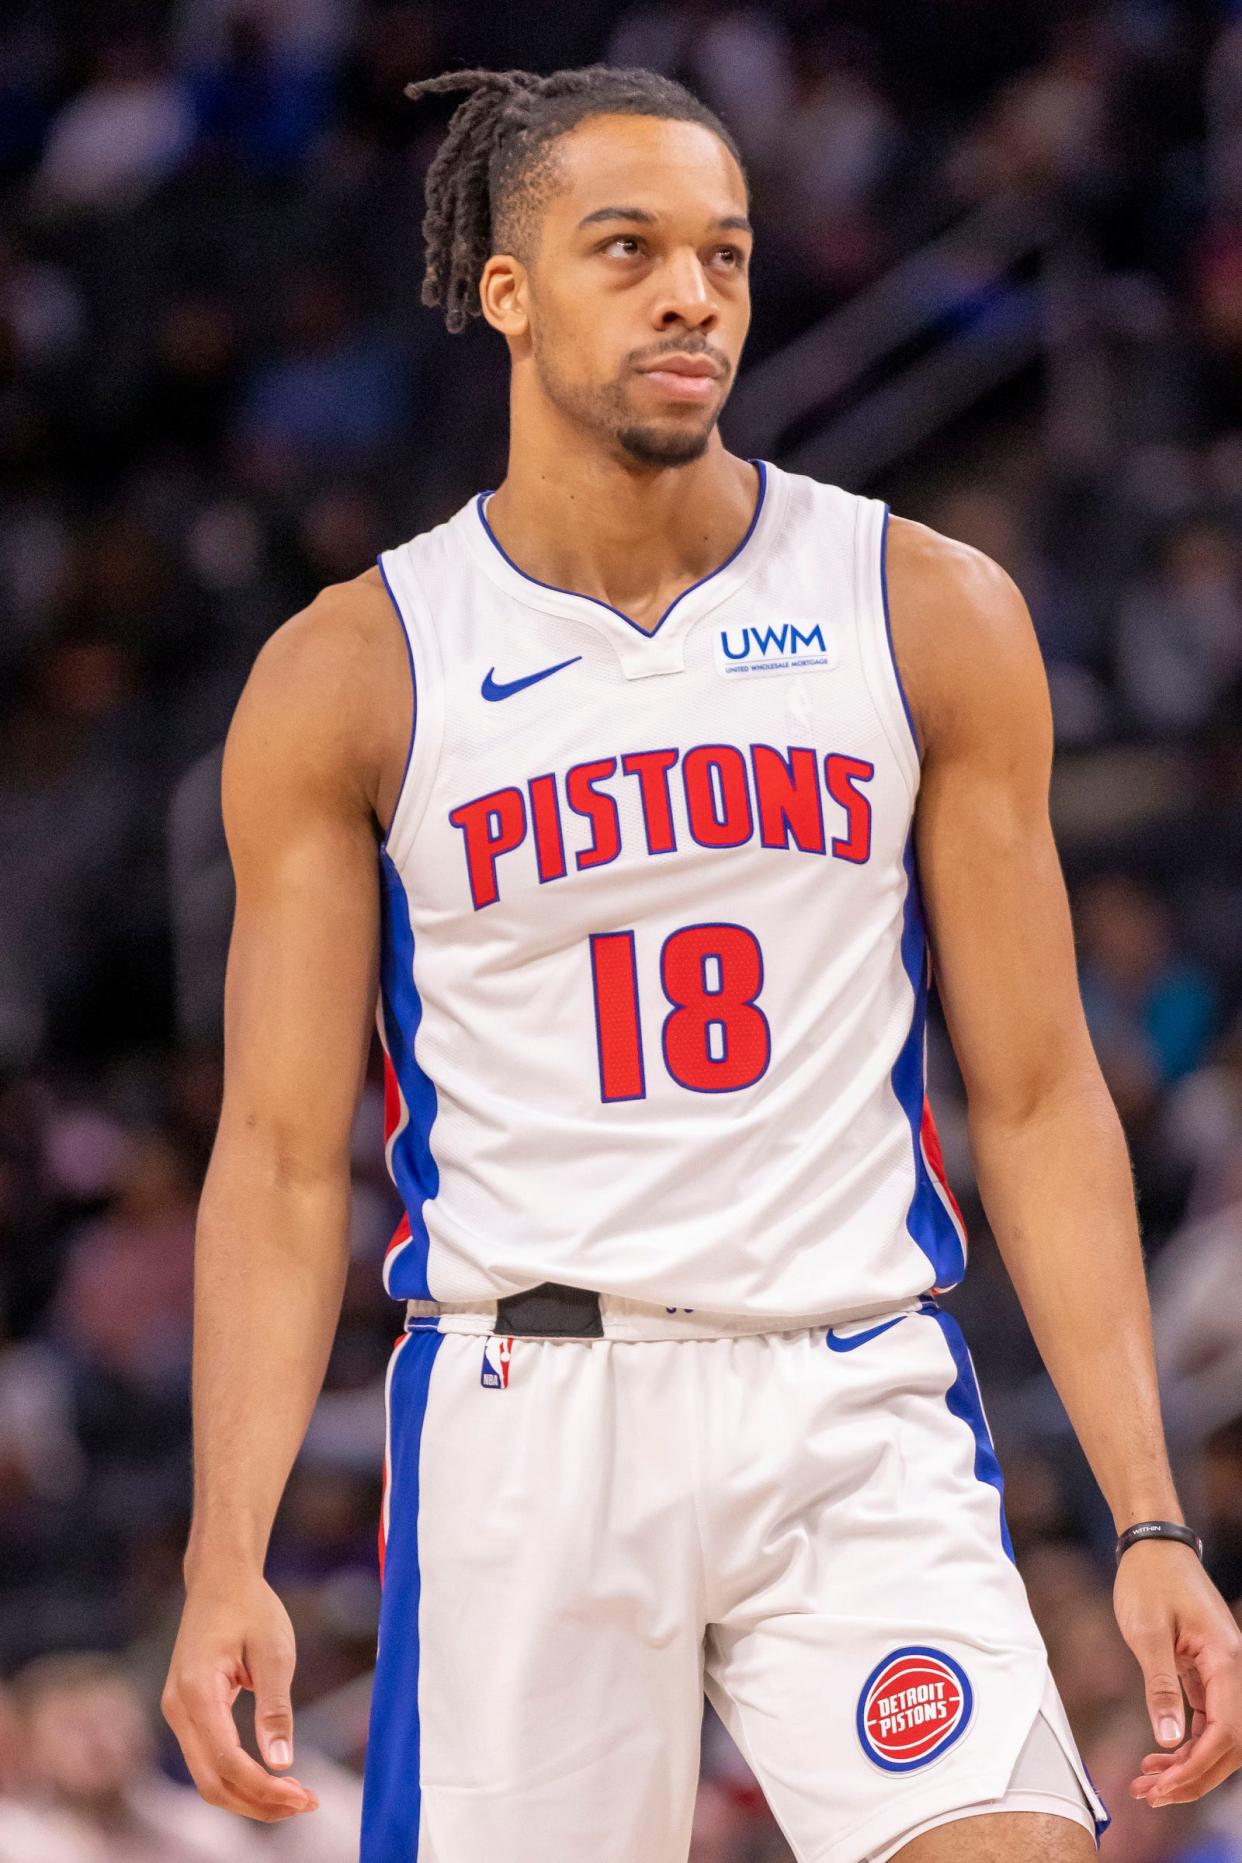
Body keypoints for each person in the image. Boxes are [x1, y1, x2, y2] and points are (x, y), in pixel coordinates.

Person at [160, 63, 1242, 1863]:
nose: (693, 295)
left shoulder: (925, 607)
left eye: (726, 257)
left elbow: (1043, 1094)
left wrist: (1149, 1520)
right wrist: (224, 1557)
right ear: (504, 291)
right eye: (629, 250)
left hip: (853, 1392)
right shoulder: (358, 667)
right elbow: (275, 1161)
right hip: (529, 1413)